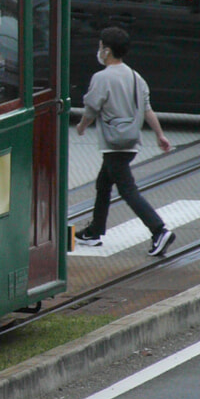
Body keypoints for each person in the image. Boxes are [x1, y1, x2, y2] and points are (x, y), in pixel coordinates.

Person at [74, 26, 175, 257]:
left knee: (128, 191)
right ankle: (95, 231)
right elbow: (147, 108)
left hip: (114, 143)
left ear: (107, 50)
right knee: (103, 184)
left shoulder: (102, 78)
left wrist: (81, 127)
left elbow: (91, 109)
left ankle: (159, 230)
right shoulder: (134, 76)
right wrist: (160, 135)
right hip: (129, 141)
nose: (98, 51)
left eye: (100, 47)